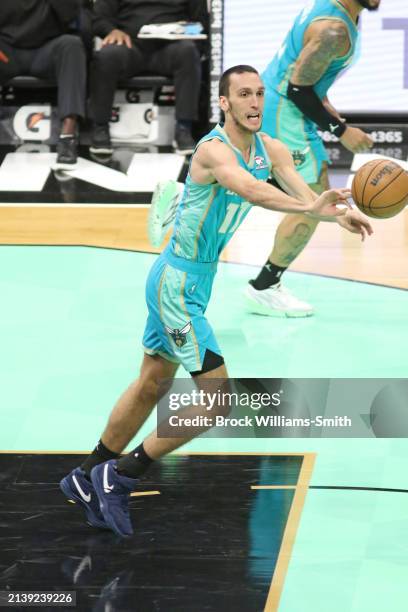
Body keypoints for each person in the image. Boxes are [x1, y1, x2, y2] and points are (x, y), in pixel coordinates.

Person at [60, 65, 372, 538]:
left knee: (152, 384)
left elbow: (304, 193)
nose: (254, 102)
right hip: (177, 286)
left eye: (260, 94)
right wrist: (308, 208)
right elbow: (252, 190)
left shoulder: (273, 148)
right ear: (223, 103)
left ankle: (84, 475)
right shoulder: (212, 151)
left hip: (191, 282)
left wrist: (336, 215)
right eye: (243, 94)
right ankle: (121, 475)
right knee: (217, 400)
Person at [151, 0, 380, 316]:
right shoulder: (333, 28)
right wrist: (341, 131)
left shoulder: (341, 13)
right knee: (306, 197)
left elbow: (308, 73)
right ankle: (265, 287)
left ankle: (187, 197)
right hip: (287, 109)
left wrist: (338, 214)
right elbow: (298, 88)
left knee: (294, 186)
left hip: (283, 102)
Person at [89, 0, 208, 156]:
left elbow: (201, 21)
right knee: (106, 56)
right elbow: (98, 18)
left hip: (171, 47)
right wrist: (111, 30)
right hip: (130, 45)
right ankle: (100, 127)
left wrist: (188, 31)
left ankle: (184, 128)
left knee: (188, 52)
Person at [0, 0, 87, 169]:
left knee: (72, 45)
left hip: (46, 50)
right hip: (7, 50)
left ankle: (67, 138)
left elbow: (71, 15)